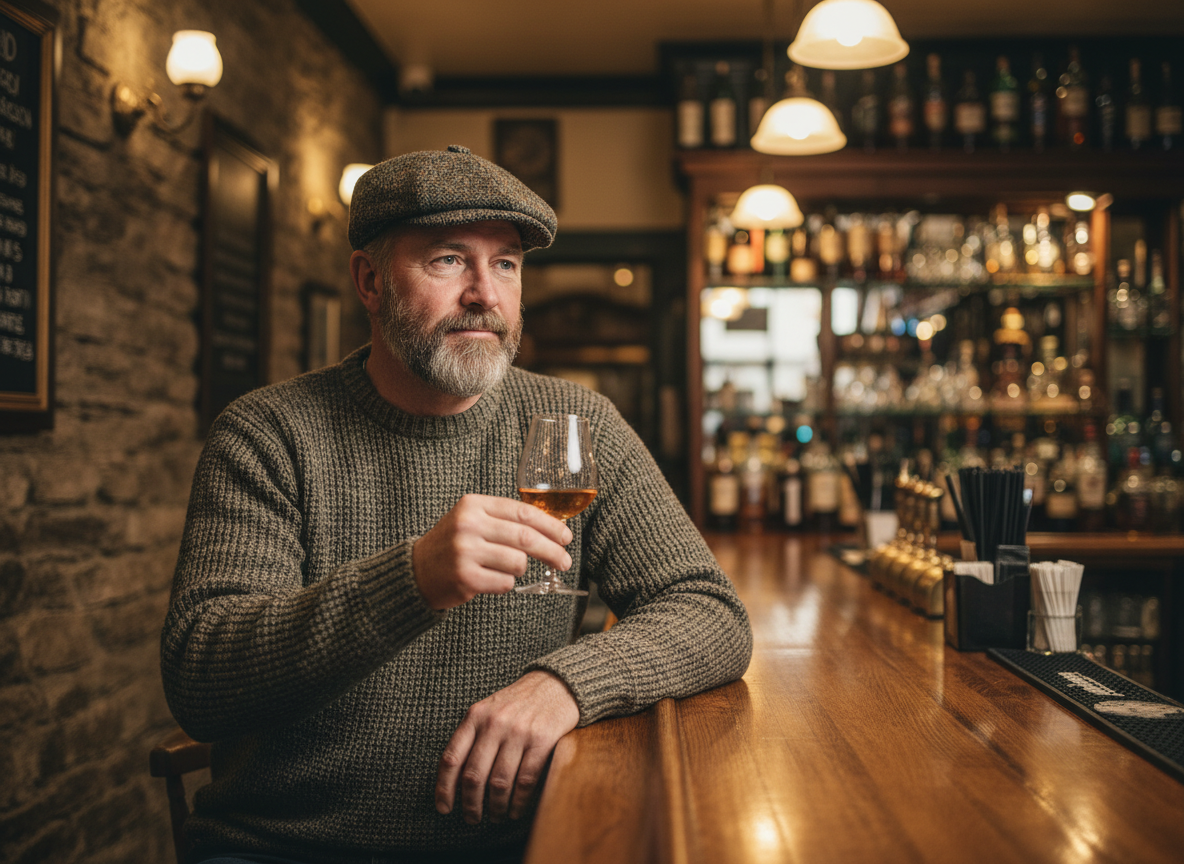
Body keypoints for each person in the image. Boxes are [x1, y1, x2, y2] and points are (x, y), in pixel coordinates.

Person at [162, 145, 752, 864]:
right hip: (283, 845)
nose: (485, 293)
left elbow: (708, 609)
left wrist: (564, 685)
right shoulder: (267, 434)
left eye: (505, 263)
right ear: (369, 280)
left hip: (510, 843)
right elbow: (203, 676)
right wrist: (411, 580)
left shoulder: (575, 423)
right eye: (447, 259)